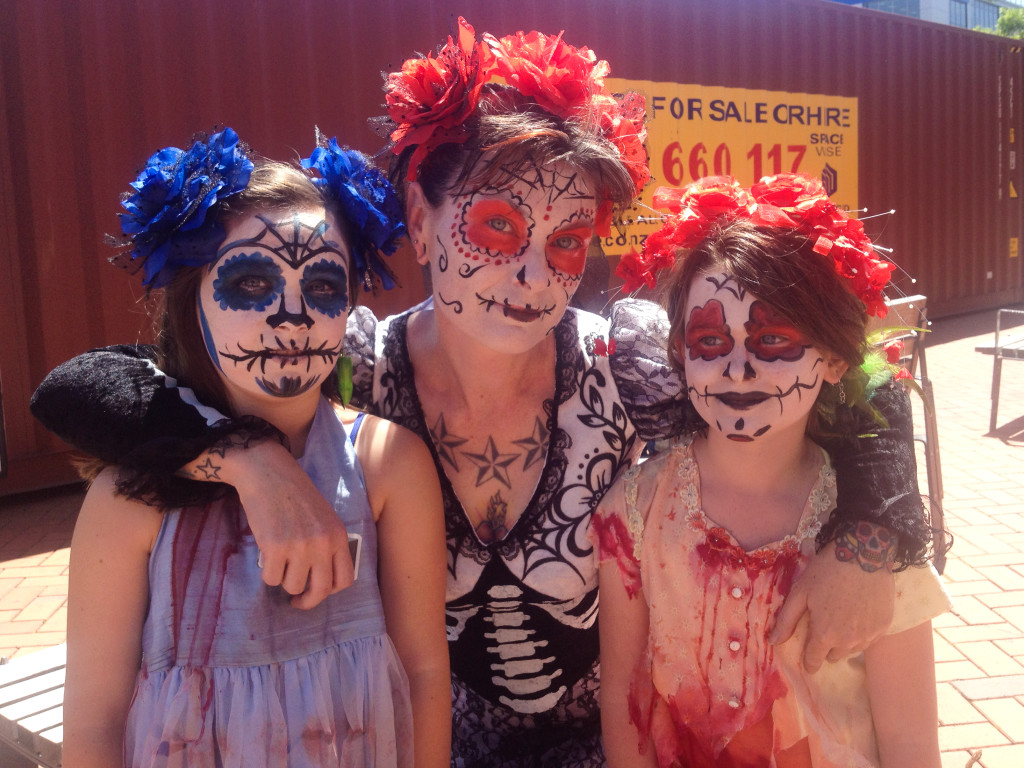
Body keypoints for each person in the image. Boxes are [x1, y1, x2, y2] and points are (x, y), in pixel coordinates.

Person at [32, 20, 933, 768]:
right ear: (421, 223)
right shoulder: (353, 362)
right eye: (498, 227)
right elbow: (87, 386)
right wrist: (251, 458)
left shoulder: (628, 361)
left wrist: (874, 531)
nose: (533, 272)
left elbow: (845, 378)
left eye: (569, 239)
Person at [58, 128, 450, 768]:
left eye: (323, 287)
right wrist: (246, 459)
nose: (290, 315)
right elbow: (95, 722)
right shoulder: (130, 499)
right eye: (248, 284)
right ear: (193, 300)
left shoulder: (388, 463)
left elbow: (426, 671)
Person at [595, 175, 949, 768]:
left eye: (774, 340)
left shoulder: (878, 539)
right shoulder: (633, 512)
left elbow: (911, 742)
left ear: (835, 358)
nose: (738, 369)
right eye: (710, 340)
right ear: (679, 353)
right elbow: (623, 700)